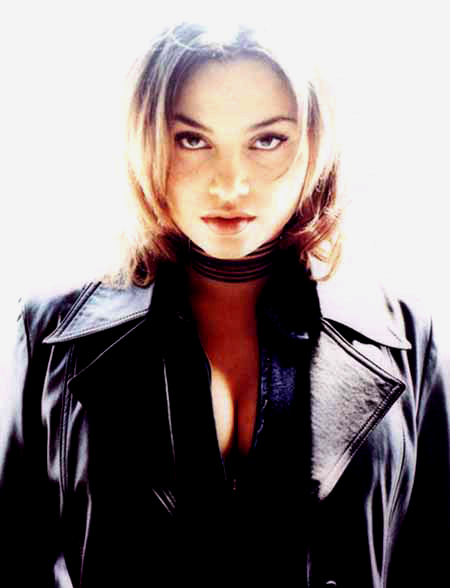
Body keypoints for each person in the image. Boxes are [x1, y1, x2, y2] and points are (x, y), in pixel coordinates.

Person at [1, 19, 449, 588]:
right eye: (192, 140)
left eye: (268, 140)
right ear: (147, 140)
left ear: (315, 143)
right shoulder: (48, 328)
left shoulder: (406, 334)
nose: (229, 185)